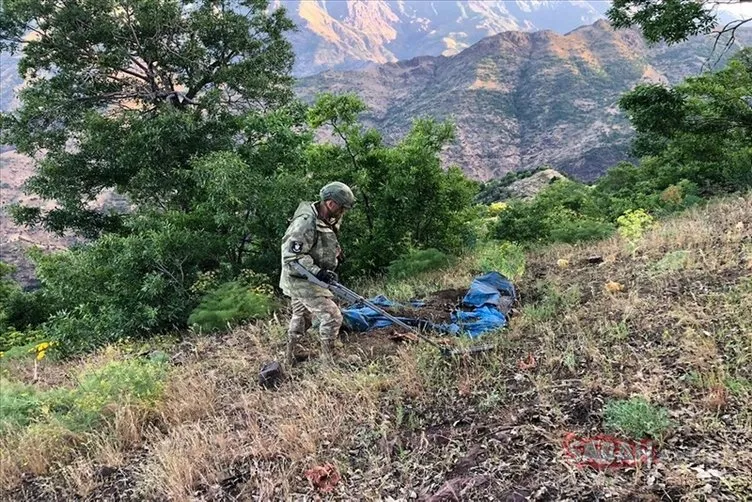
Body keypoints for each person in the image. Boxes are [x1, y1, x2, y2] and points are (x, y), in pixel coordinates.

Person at [279, 182, 356, 366]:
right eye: (342, 208)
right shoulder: (305, 222)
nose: (343, 212)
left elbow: (324, 238)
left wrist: (336, 251)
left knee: (301, 315)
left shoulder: (326, 217)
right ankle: (330, 361)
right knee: (332, 315)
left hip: (305, 276)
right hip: (301, 277)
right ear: (331, 204)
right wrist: (318, 272)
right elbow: (293, 256)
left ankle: (292, 355)